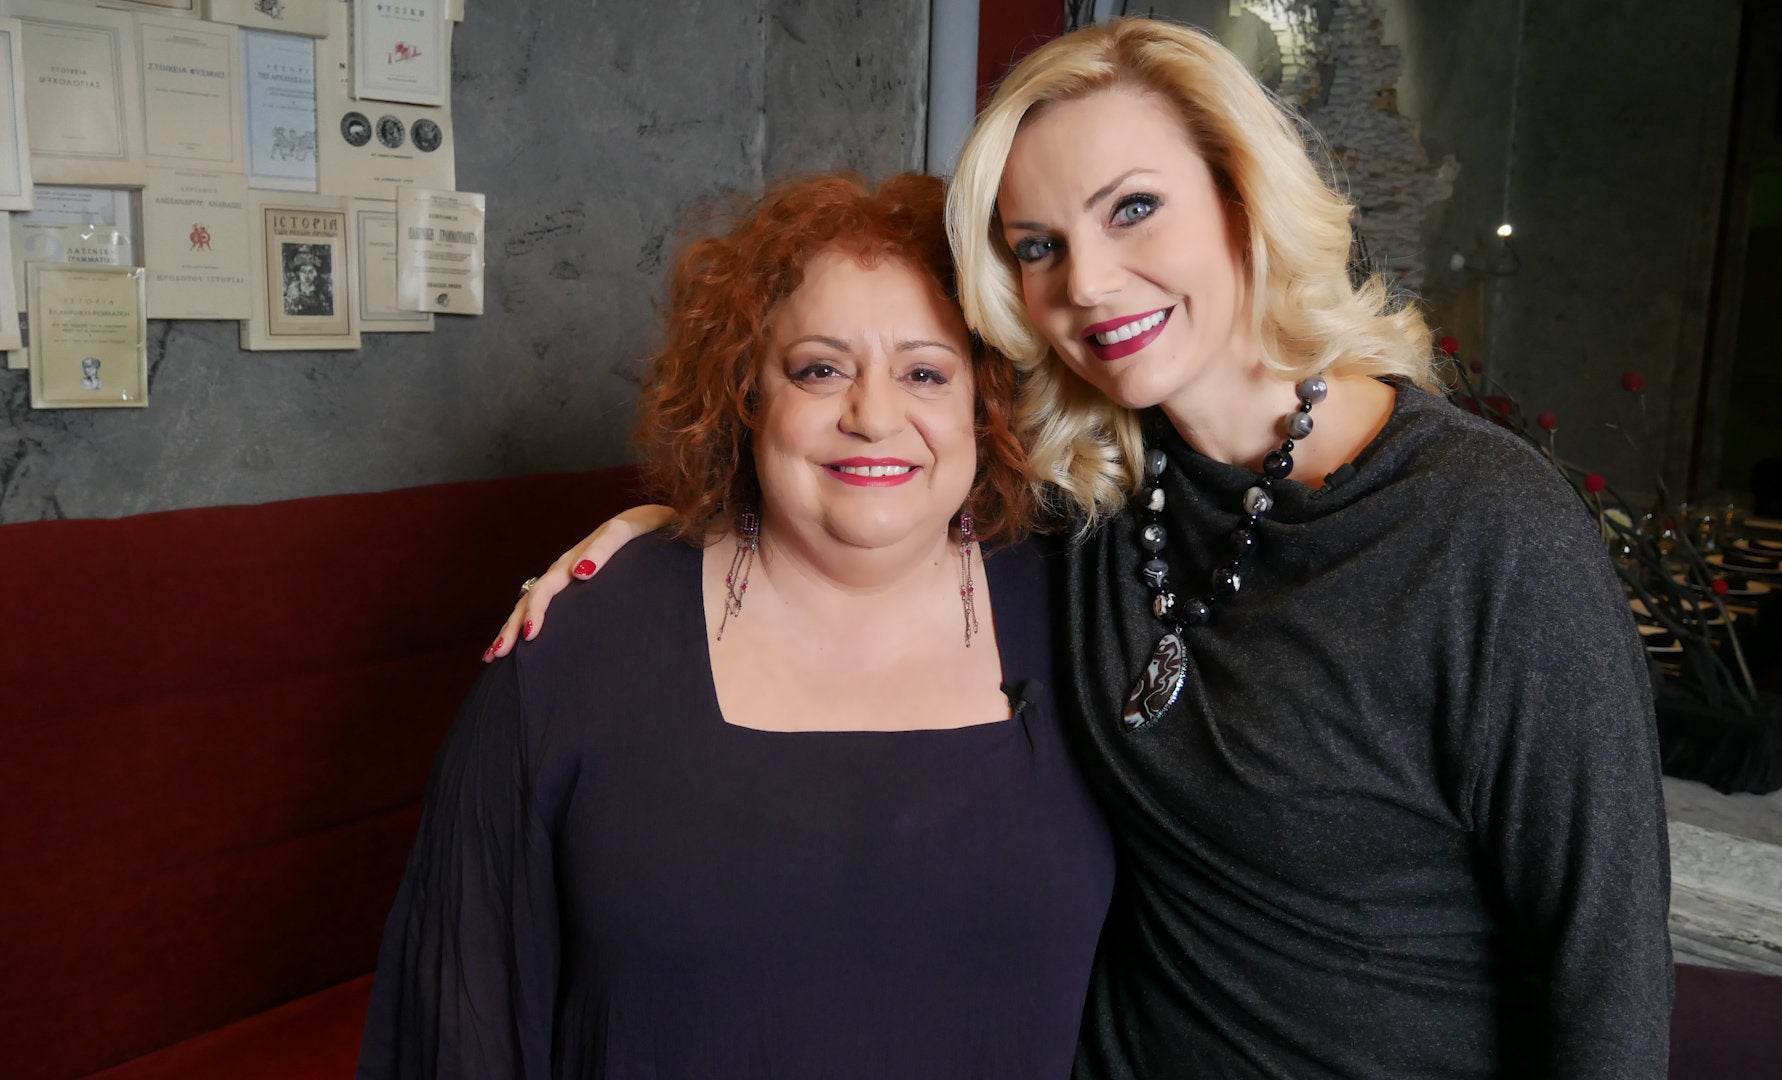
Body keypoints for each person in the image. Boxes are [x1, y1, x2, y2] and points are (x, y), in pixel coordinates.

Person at [497, 19, 1672, 1079]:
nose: (1090, 283)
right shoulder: (1091, 496)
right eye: (1037, 246)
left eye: (1133, 209)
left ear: (1241, 197)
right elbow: (868, 491)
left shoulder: (1484, 527)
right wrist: (674, 535)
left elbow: (1607, 974)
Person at [360, 174, 1113, 1079]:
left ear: (987, 405)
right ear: (747, 393)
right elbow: (456, 1030)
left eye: (925, 372)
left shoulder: (1090, 614)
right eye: (820, 369)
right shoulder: (579, 646)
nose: (874, 416)